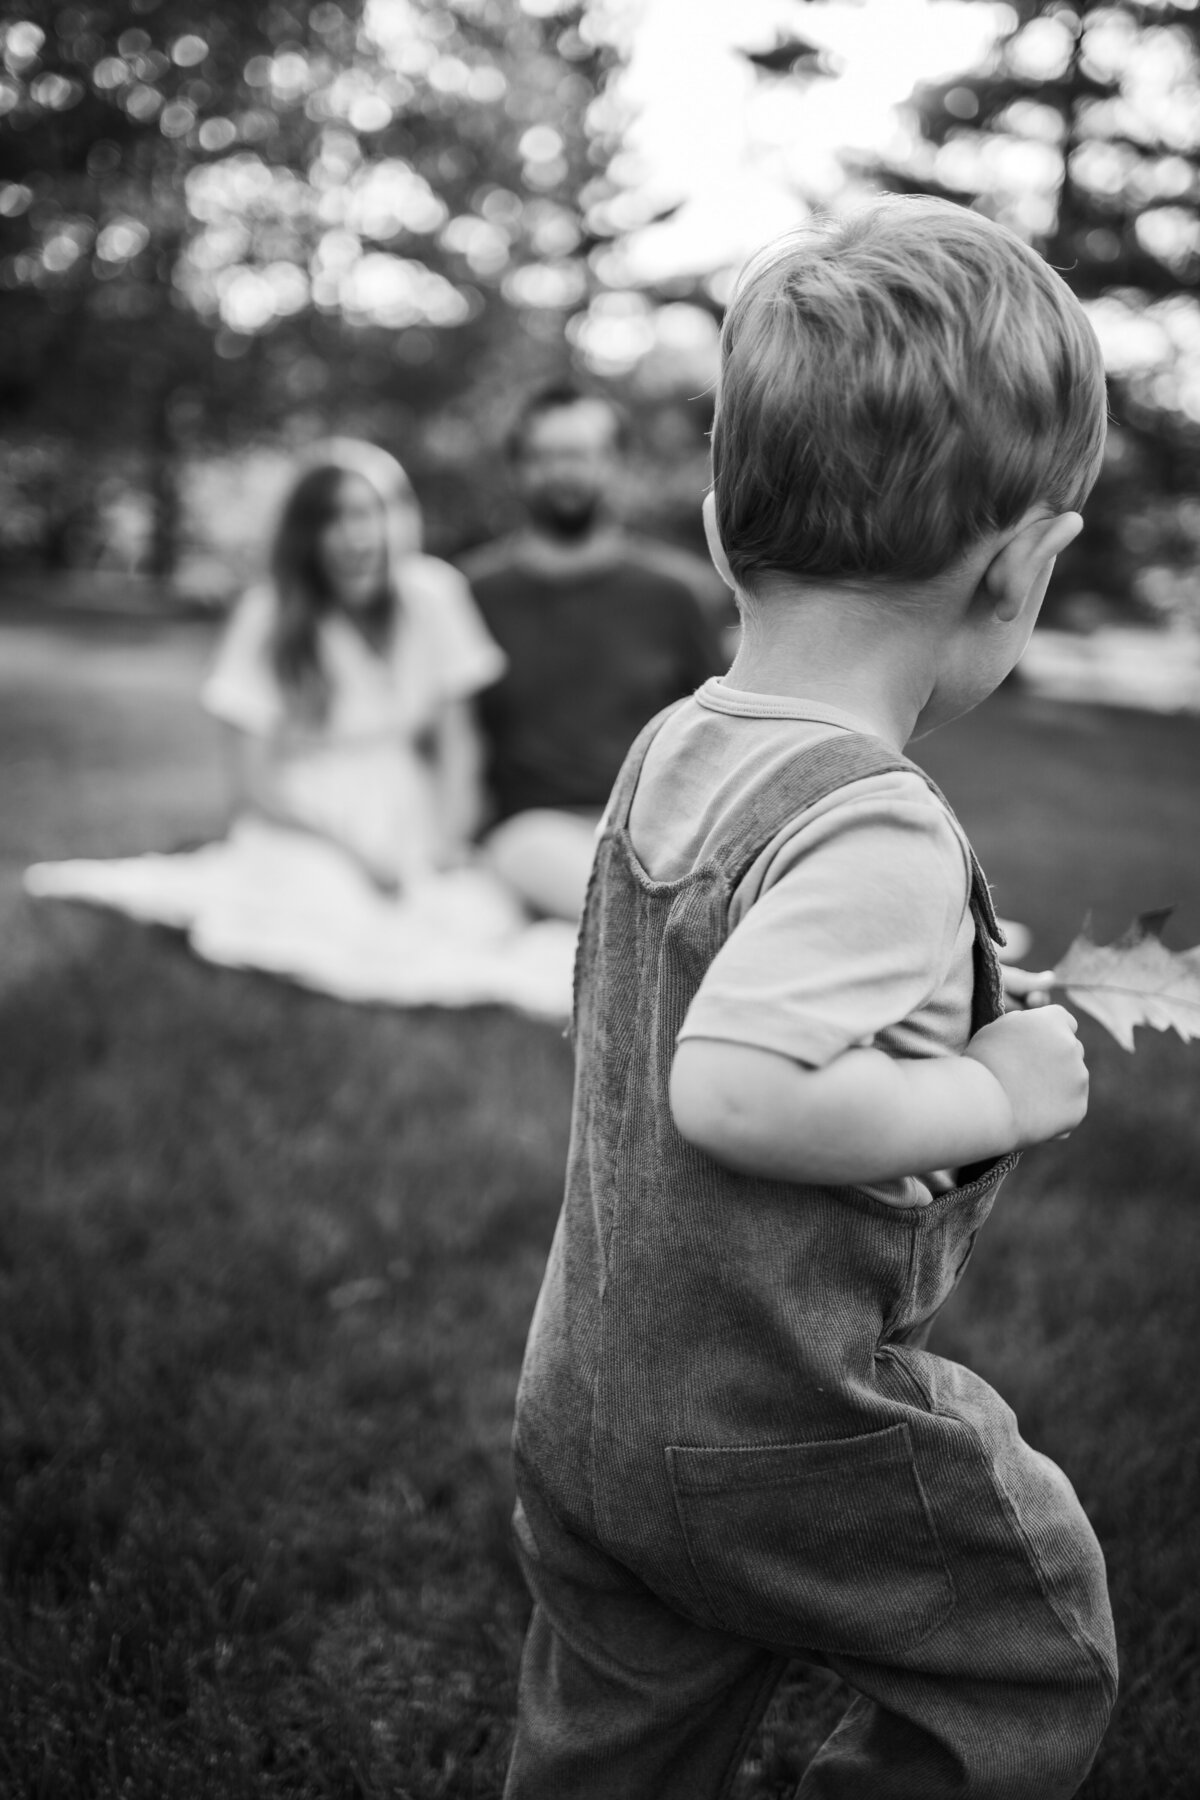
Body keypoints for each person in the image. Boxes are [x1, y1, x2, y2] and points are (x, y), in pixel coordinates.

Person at [504, 200, 1117, 1799]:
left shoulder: (679, 743)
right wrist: (995, 1094)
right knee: (1030, 1649)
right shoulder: (875, 817)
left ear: (716, 529)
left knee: (617, 1741)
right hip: (773, 1432)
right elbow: (738, 1089)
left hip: (588, 1400)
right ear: (1021, 566)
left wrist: (934, 1001)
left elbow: (716, 988)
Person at [25, 441, 579, 1017]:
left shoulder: (434, 595)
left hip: (411, 810)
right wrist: (353, 853)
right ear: (304, 536)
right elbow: (255, 784)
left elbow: (460, 740)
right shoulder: (270, 615)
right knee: (326, 921)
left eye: (366, 514)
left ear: (394, 521)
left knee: (462, 915)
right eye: (330, 519)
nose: (353, 536)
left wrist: (447, 837)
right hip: (306, 818)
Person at [459, 383, 731, 920]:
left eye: (581, 454)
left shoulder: (677, 595)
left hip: (653, 836)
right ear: (518, 469)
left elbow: (716, 740)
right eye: (546, 456)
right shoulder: (471, 593)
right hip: (527, 833)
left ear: (616, 464)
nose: (564, 472)